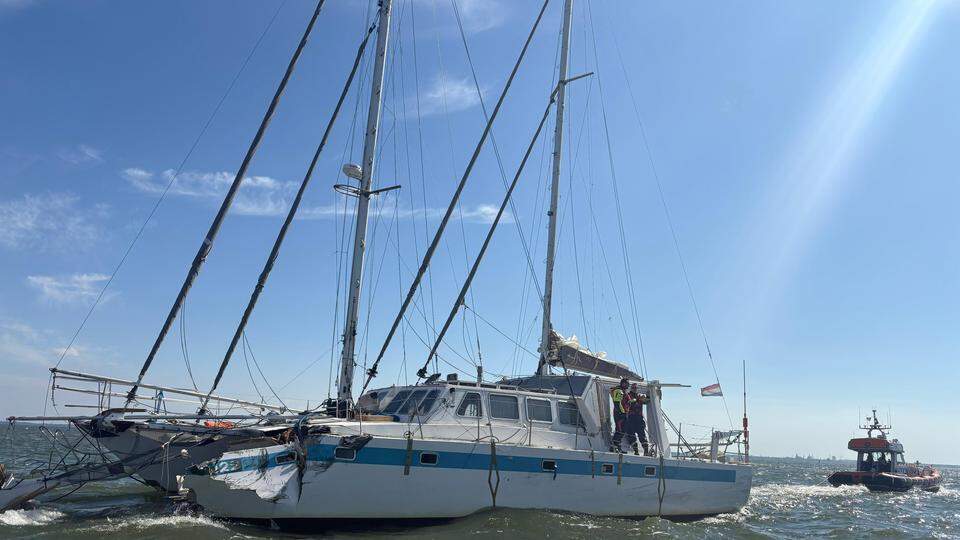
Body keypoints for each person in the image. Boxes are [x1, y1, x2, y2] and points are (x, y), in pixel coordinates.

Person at [626, 383, 650, 456]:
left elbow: (647, 401)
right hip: (631, 419)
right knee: (631, 435)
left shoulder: (639, 396)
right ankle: (636, 451)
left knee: (642, 436)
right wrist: (634, 400)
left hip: (639, 419)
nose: (635, 389)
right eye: (633, 388)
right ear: (631, 388)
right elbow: (627, 403)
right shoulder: (628, 395)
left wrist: (648, 395)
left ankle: (646, 451)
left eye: (636, 388)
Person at [610, 378, 631, 453]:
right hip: (619, 414)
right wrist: (621, 413)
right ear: (622, 383)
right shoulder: (618, 391)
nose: (627, 385)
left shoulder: (624, 392)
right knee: (619, 430)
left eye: (627, 383)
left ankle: (617, 446)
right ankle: (613, 447)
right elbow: (616, 403)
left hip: (624, 413)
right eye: (626, 383)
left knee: (623, 430)